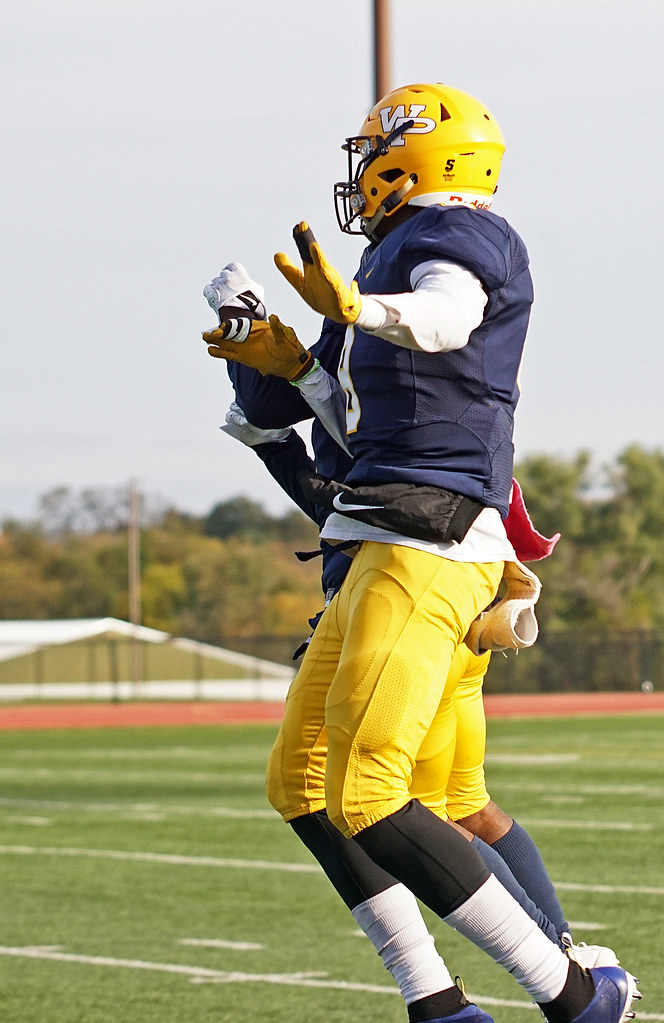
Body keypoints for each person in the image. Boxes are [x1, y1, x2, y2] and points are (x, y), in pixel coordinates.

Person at [203, 83, 639, 1023]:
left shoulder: (460, 236)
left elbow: (443, 319)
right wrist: (293, 369)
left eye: (374, 156)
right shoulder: (377, 269)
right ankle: (439, 1000)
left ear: (421, 157)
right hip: (379, 531)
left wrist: (357, 308)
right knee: (302, 780)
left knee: (381, 790)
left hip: (429, 539)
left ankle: (569, 992)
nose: (359, 180)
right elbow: (359, 430)